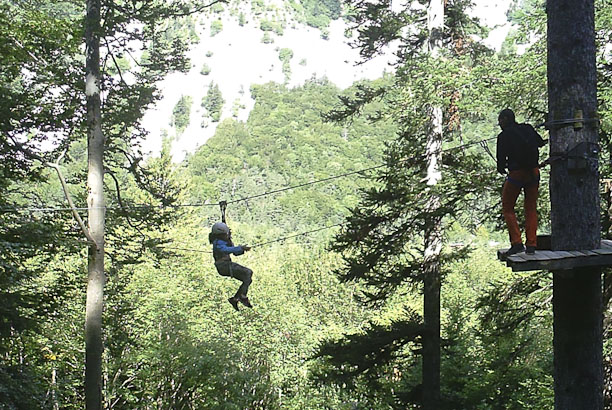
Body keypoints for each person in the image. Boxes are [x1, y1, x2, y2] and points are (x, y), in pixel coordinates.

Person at [496, 108, 546, 256]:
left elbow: (500, 162)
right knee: (530, 208)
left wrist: (502, 168)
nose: (499, 124)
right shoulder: (527, 128)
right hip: (533, 172)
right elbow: (540, 143)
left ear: (505, 119)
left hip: (517, 174)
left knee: (507, 207)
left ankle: (516, 243)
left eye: (500, 120)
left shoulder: (503, 136)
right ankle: (531, 244)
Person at [209, 222, 253, 310]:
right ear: (220, 235)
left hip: (225, 266)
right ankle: (242, 296)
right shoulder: (218, 243)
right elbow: (225, 250)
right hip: (223, 266)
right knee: (248, 272)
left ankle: (236, 298)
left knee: (247, 278)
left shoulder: (224, 241)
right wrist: (239, 248)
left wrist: (242, 250)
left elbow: (235, 253)